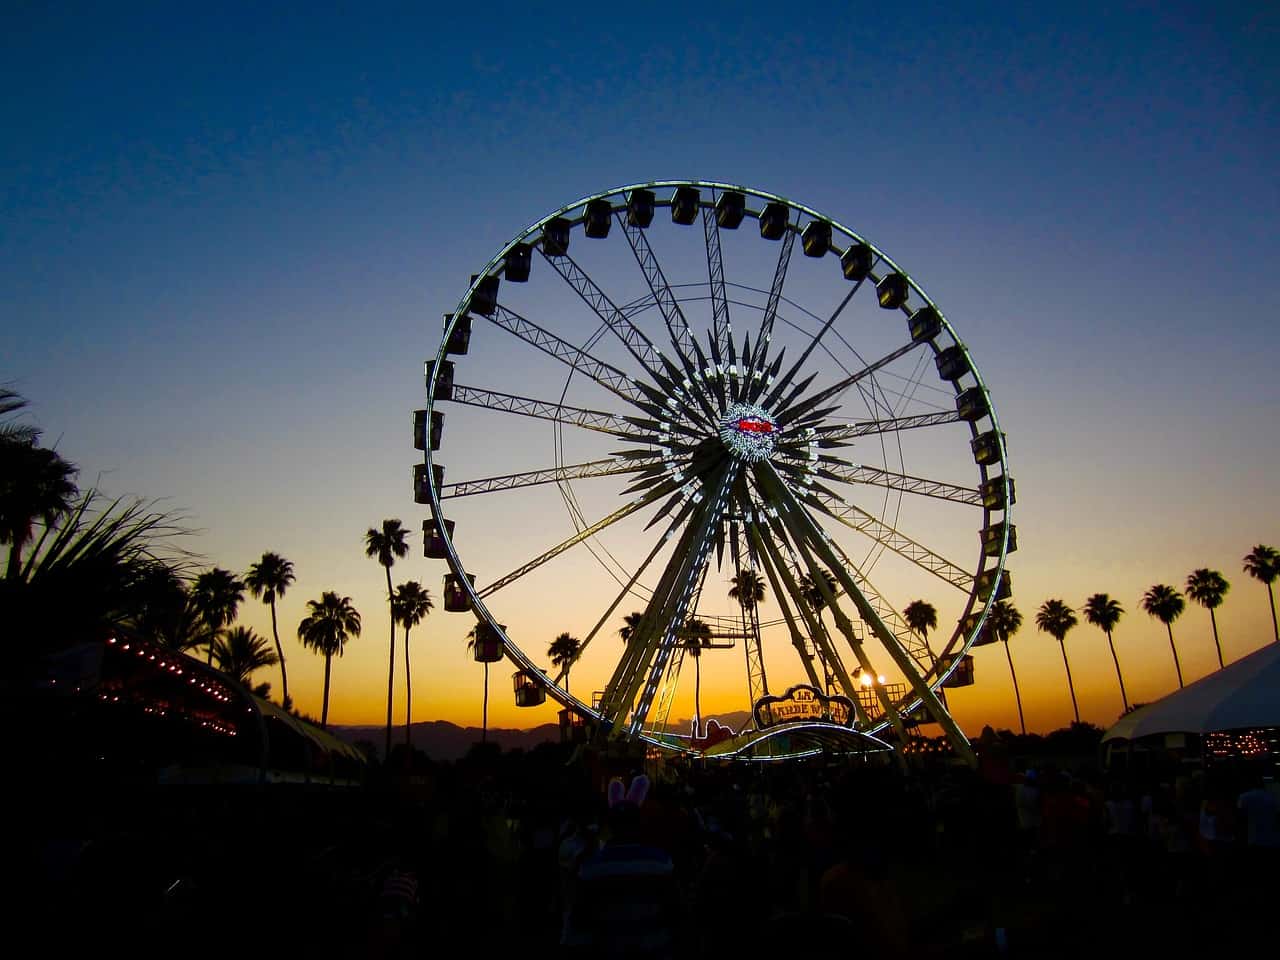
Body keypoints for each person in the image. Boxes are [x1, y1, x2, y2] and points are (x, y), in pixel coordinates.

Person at [560, 775, 682, 958]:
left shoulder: (591, 867)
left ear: (610, 825)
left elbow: (579, 917)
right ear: (640, 823)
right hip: (655, 947)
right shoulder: (661, 862)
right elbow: (676, 909)